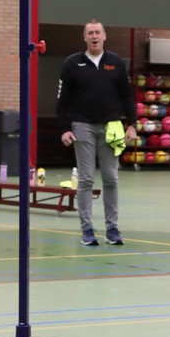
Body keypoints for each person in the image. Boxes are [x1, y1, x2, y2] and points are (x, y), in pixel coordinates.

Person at [56, 20, 138, 246]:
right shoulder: (72, 64)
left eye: (98, 32)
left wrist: (132, 124)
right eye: (90, 33)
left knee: (111, 178)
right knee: (86, 178)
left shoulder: (116, 63)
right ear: (85, 37)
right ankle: (87, 230)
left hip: (112, 126)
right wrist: (64, 129)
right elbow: (63, 100)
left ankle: (112, 228)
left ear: (104, 36)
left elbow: (127, 96)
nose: (94, 36)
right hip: (82, 126)